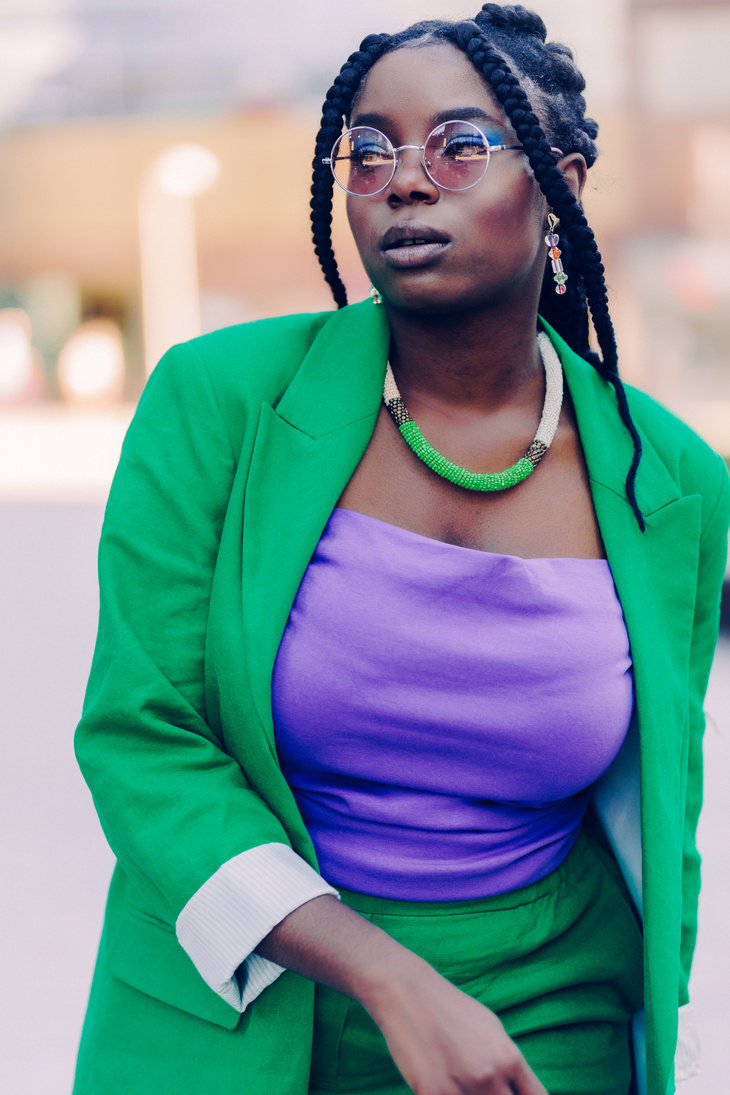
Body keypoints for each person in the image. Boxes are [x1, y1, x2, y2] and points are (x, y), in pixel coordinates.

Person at [72, 6, 730, 1095]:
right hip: (237, 1001)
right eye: (367, 152)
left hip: (541, 1018)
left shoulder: (671, 486)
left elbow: (663, 797)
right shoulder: (218, 402)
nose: (404, 180)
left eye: (458, 147)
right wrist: (390, 977)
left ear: (557, 182)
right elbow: (143, 741)